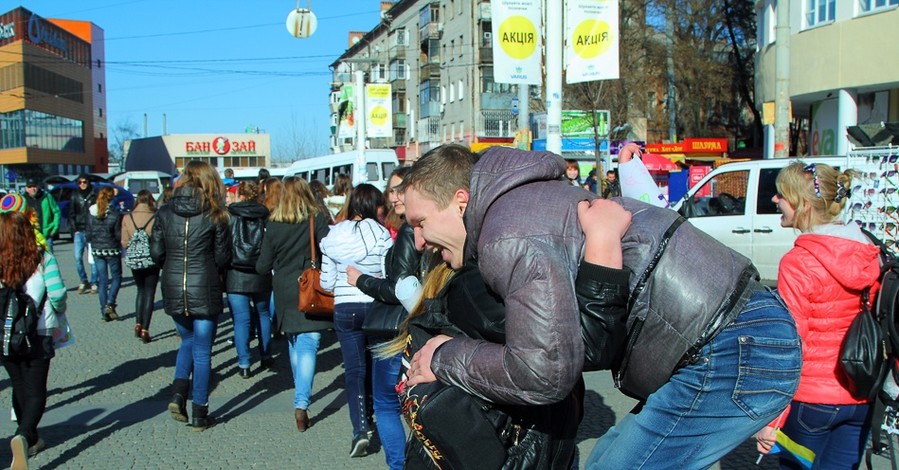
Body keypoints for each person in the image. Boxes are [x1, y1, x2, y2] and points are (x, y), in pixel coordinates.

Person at [403, 144, 802, 469]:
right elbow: (581, 340)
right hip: (736, 338)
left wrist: (445, 357)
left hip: (730, 346)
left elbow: (546, 370)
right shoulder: (527, 203)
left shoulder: (504, 236)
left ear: (460, 202)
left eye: (420, 222)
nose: (418, 241)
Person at [754, 162, 881, 469]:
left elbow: (791, 345)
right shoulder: (870, 253)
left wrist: (771, 418)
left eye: (781, 195)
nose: (775, 201)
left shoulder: (798, 262)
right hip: (862, 396)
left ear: (803, 206)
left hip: (811, 403)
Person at [346, 167, 419, 470]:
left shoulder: (407, 231)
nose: (394, 196)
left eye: (400, 189)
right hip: (412, 326)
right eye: (391, 190)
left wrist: (362, 281)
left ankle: (399, 466)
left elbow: (400, 287)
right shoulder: (407, 228)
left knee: (388, 404)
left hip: (399, 330)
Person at [151, 160, 231, 431]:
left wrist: (172, 266)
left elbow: (156, 254)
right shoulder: (216, 214)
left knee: (187, 340)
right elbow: (222, 257)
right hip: (204, 284)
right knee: (202, 351)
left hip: (173, 284)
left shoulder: (164, 212)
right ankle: (199, 411)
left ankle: (177, 393)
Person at [319, 184, 393, 458]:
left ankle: (360, 429)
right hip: (374, 305)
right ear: (376, 205)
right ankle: (380, 417)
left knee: (354, 371)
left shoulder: (334, 234)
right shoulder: (382, 234)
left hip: (345, 307)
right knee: (376, 366)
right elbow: (387, 275)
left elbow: (326, 282)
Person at [256, 176, 331, 432]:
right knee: (309, 342)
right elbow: (329, 248)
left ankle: (301, 394)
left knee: (294, 341)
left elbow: (263, 265)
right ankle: (301, 402)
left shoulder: (273, 224)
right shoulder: (315, 218)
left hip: (285, 291)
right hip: (309, 287)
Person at [0, 211, 67, 469]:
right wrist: (58, 309)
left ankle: (29, 435)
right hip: (38, 331)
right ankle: (25, 436)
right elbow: (58, 293)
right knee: (36, 388)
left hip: (5, 335)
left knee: (19, 384)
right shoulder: (43, 259)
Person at [225, 181, 272, 379]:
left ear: (240, 195)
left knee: (241, 319)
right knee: (263, 314)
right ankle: (266, 353)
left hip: (235, 272)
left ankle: (244, 362)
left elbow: (223, 244)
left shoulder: (230, 214)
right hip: (260, 270)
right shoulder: (265, 214)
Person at [121, 190, 159, 343]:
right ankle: (145, 329)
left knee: (140, 290)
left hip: (135, 259)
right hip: (151, 259)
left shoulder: (127, 217)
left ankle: (137, 322)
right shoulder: (155, 217)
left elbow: (124, 242)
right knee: (150, 293)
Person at [86, 186, 123, 322]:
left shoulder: (91, 212)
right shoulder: (114, 214)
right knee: (116, 277)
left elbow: (88, 233)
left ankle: (103, 310)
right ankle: (110, 303)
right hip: (112, 249)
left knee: (102, 280)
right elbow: (118, 234)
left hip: (97, 250)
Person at [69, 175, 98, 294]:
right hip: (79, 231)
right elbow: (71, 213)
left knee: (93, 259)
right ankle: (83, 280)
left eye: (84, 182)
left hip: (91, 230)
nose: (82, 184)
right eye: (80, 182)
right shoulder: (75, 195)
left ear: (89, 182)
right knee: (77, 257)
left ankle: (94, 282)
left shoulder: (94, 194)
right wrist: (74, 228)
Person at [21, 178, 59, 253]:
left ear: (38, 186)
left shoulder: (46, 196)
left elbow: (56, 212)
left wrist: (54, 230)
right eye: (30, 187)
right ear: (26, 188)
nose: (32, 189)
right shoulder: (23, 200)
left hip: (46, 235)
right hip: (30, 237)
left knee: (49, 260)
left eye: (34, 186)